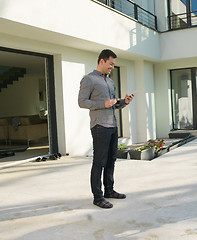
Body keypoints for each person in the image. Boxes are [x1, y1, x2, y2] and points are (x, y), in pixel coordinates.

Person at [78, 49, 134, 209]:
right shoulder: (89, 79)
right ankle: (97, 197)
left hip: (113, 125)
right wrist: (102, 104)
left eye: (114, 65)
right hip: (100, 126)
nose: (112, 67)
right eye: (111, 64)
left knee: (111, 161)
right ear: (102, 61)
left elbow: (114, 105)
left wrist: (124, 101)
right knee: (99, 162)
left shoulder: (110, 82)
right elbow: (82, 102)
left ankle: (109, 190)